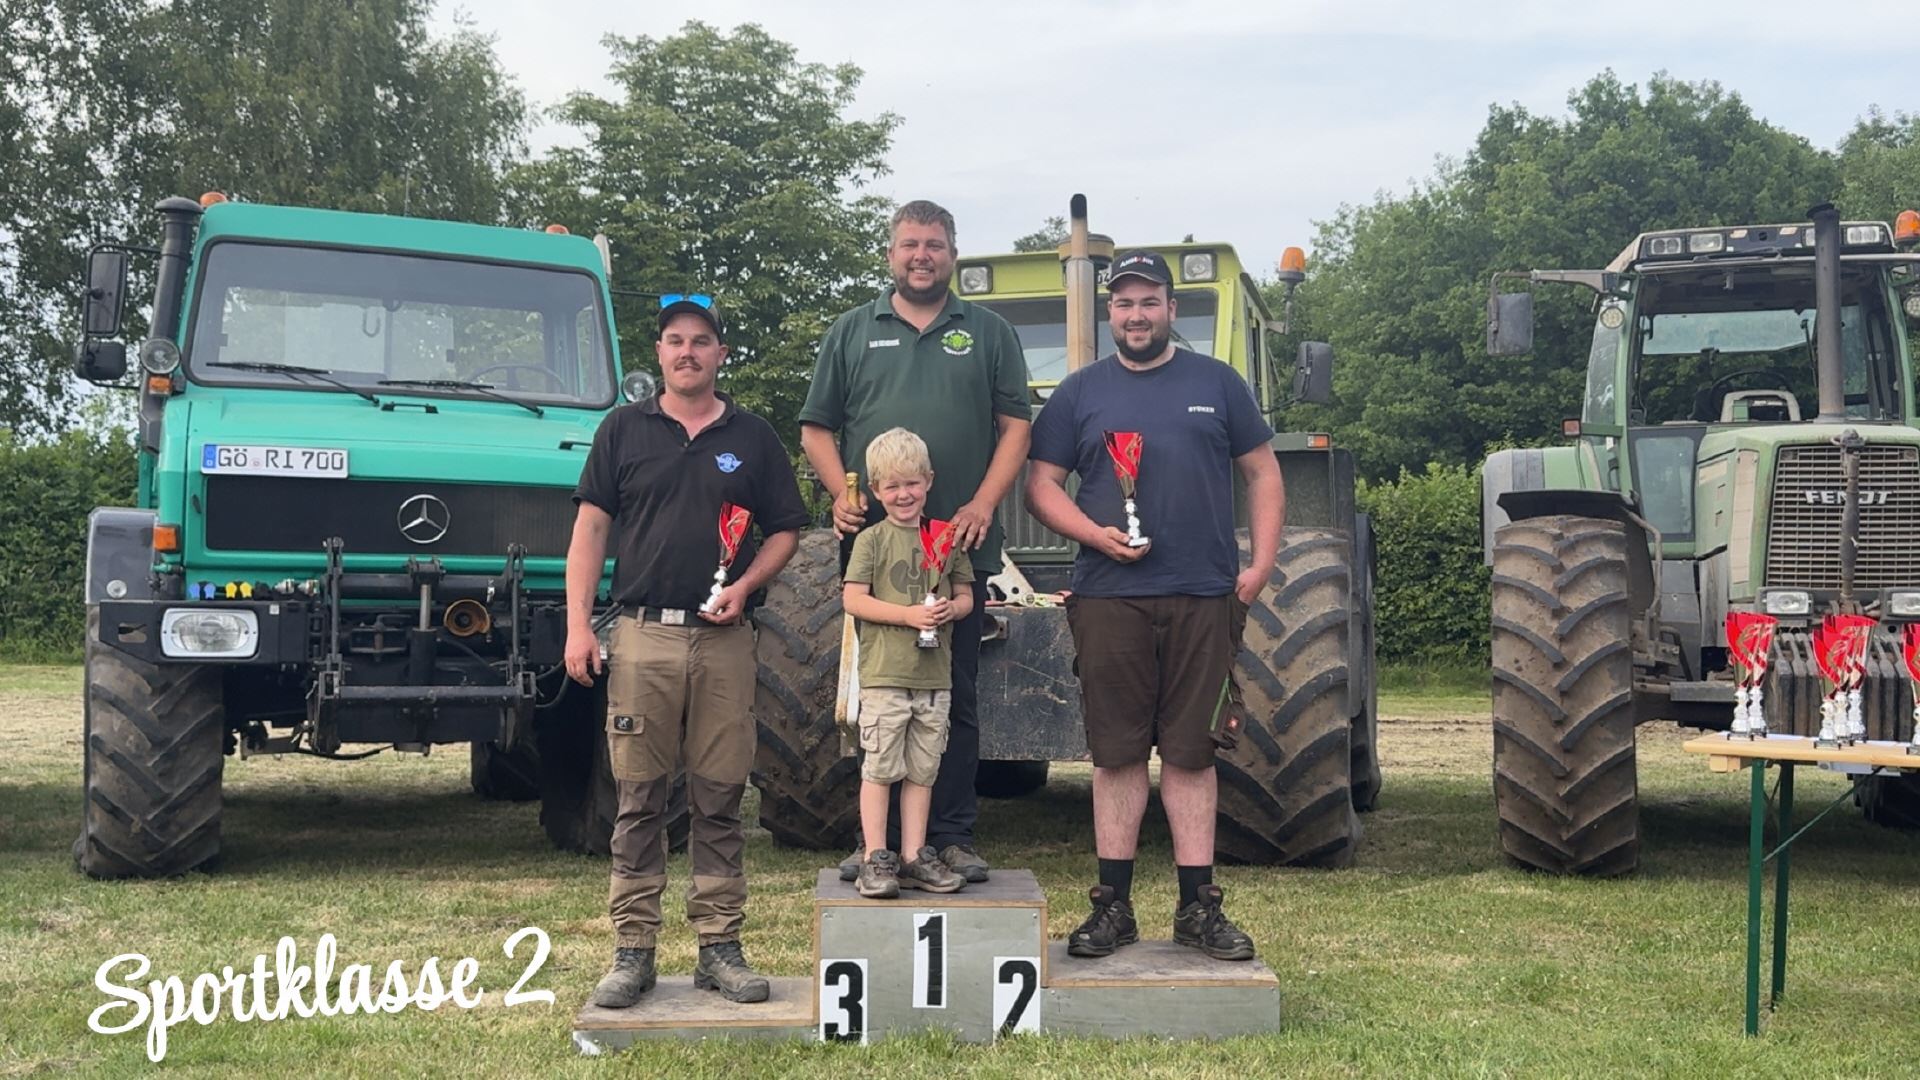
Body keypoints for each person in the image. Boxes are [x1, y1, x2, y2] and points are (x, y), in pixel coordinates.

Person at [1024, 250, 1284, 962]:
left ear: (1171, 309)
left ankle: (1199, 908)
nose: (1135, 315)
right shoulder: (1079, 393)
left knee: (1193, 755)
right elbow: (1040, 485)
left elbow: (1262, 472)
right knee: (1117, 756)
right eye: (1123, 304)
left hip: (1204, 595)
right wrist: (1093, 535)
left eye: (1148, 302)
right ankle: (1113, 907)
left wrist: (1260, 565)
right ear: (1109, 314)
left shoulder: (1217, 383)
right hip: (1109, 598)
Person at [564, 295, 810, 1007]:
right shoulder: (622, 429)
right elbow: (590, 532)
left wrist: (746, 585)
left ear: (720, 354)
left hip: (726, 641)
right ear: (660, 352)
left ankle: (719, 948)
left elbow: (786, 530)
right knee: (640, 798)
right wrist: (579, 625)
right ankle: (633, 951)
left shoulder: (753, 436)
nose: (687, 352)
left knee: (720, 798)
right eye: (675, 340)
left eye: (701, 341)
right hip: (642, 635)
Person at [798, 200, 1032, 884]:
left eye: (934, 244)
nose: (921, 255)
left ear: (952, 254)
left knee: (952, 695)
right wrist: (843, 494)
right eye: (909, 244)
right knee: (875, 696)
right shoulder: (851, 330)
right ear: (891, 254)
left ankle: (946, 839)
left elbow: (1016, 427)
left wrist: (983, 502)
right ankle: (878, 843)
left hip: (957, 546)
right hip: (875, 552)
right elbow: (816, 428)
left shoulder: (988, 332)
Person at [841, 427, 976, 898]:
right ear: (876, 490)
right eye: (893, 486)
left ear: (929, 482)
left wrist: (950, 610)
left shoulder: (946, 538)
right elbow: (853, 600)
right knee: (879, 769)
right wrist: (908, 616)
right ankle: (876, 857)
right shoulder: (871, 540)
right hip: (885, 677)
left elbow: (966, 597)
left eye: (912, 483)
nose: (904, 494)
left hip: (934, 679)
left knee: (923, 770)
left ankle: (916, 855)